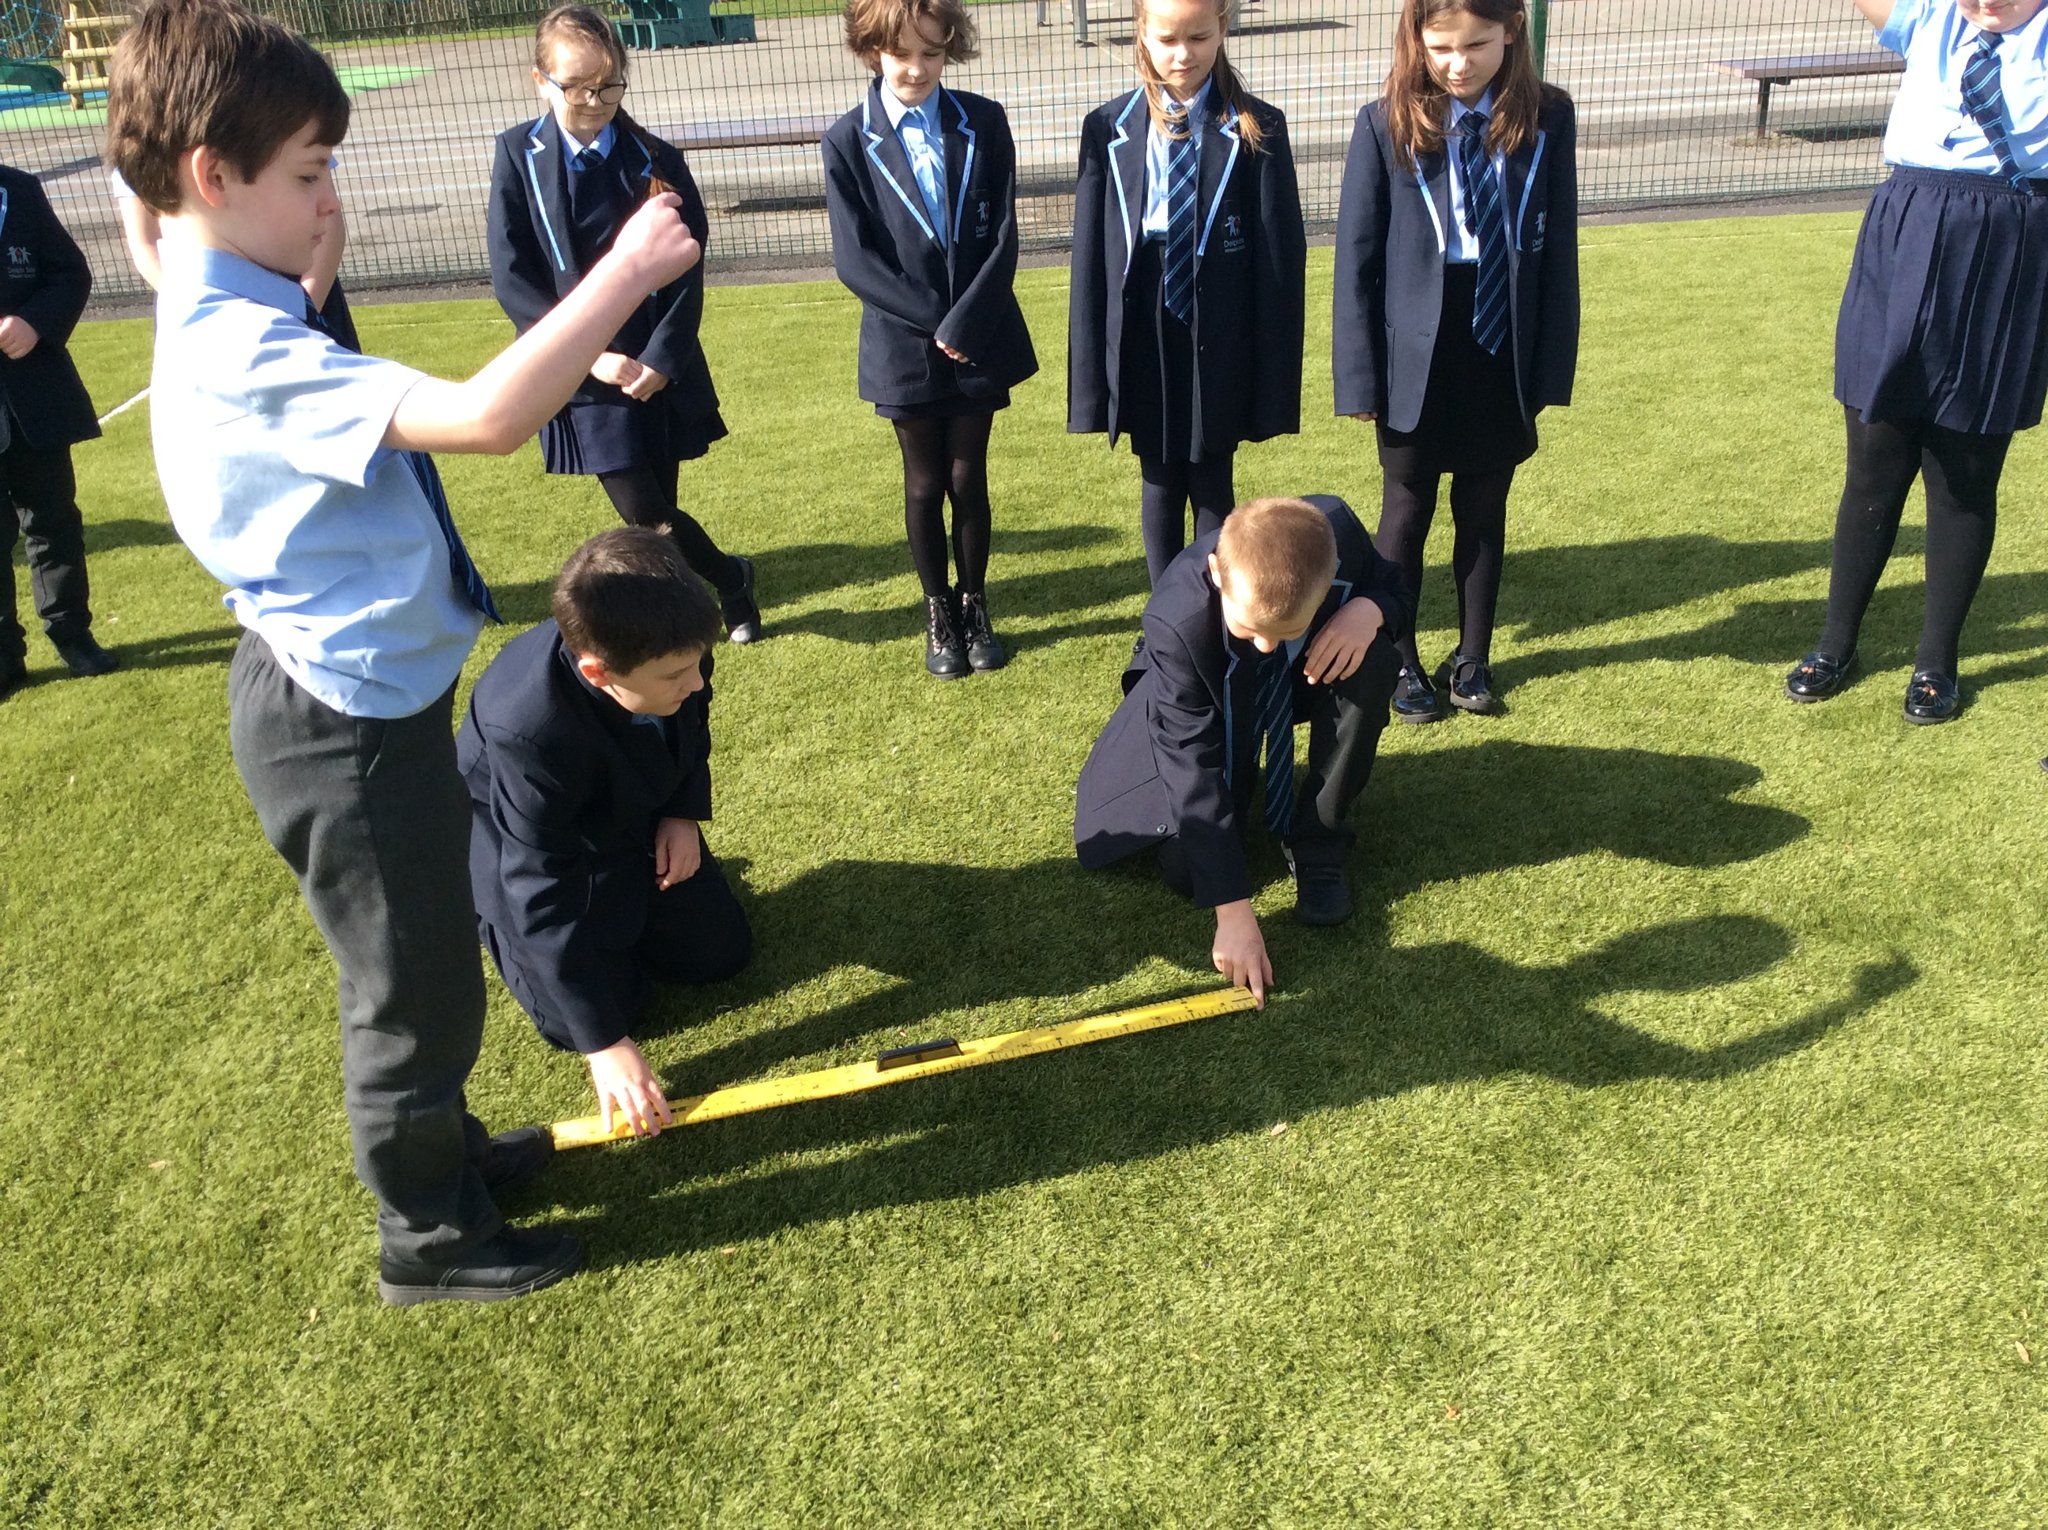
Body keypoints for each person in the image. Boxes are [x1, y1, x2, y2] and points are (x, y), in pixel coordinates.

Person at [106, 0, 703, 1304]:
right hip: (342, 727)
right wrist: (626, 270)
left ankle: (446, 1153)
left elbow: (151, 216)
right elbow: (489, 417)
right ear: (214, 177)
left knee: (425, 968)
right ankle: (430, 1236)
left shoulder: (223, 286)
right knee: (415, 993)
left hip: (355, 699)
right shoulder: (241, 346)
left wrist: (300, 266)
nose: (329, 195)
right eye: (308, 172)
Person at [1784, 0, 2048, 724]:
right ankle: (1836, 643)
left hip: (2011, 245)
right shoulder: (1930, 20)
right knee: (1875, 455)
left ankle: (1937, 662)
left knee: (1965, 470)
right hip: (1906, 228)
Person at [458, 528, 752, 1140]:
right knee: (587, 1018)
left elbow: (690, 724)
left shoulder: (676, 646)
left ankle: (622, 893)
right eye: (676, 675)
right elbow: (538, 883)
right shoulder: (531, 730)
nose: (696, 682)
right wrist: (605, 1044)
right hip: (520, 839)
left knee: (719, 955)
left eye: (699, 663)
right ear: (597, 671)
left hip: (631, 804)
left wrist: (680, 811)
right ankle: (504, 936)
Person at [1332, 0, 1578, 722]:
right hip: (1416, 354)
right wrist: (1360, 375)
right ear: (1417, 40)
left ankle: (1472, 659)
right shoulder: (1383, 123)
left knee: (1483, 509)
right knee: (1404, 515)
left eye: (1477, 43)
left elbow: (1558, 248)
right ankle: (1402, 661)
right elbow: (1356, 262)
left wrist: (1548, 368)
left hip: (1499, 343)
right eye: (1441, 46)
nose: (1459, 62)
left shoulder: (1549, 116)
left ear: (1512, 33)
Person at [487, 3, 763, 645]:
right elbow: (514, 275)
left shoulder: (655, 157)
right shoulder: (517, 156)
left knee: (651, 522)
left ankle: (671, 626)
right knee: (644, 512)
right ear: (540, 80)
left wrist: (664, 357)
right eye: (577, 86)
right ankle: (729, 580)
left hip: (656, 369)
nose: (595, 99)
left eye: (609, 84)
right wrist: (589, 354)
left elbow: (688, 265)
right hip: (584, 370)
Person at [1073, 495, 1410, 1003]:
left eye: (1284, 631)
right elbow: (1190, 761)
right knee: (1190, 868)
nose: (1266, 647)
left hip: (1303, 679)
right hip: (1207, 698)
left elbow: (1396, 585)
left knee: (1373, 661)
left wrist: (1371, 608)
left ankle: (1318, 840)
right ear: (1216, 571)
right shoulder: (1175, 619)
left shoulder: (1338, 532)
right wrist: (1232, 910)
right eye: (1251, 628)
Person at [822, 0, 1037, 678]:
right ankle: (938, 610)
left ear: (951, 49)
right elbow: (855, 260)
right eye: (901, 53)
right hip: (903, 344)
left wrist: (968, 321)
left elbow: (1003, 233)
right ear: (870, 50)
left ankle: (974, 604)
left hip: (980, 330)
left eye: (932, 53)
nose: (917, 68)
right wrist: (935, 321)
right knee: (924, 484)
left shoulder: (983, 120)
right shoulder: (847, 139)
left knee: (968, 476)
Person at [1067, 0, 1307, 585]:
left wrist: (1270, 372)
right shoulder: (1107, 126)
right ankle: (1165, 613)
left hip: (1220, 322)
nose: (1183, 54)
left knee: (1210, 470)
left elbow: (1280, 261)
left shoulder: (1258, 125)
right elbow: (1092, 261)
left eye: (1199, 37)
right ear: (1142, 34)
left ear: (1222, 28)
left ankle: (1212, 610)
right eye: (1167, 38)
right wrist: (1092, 368)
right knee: (1157, 473)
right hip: (1144, 315)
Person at [0, 161, 117, 699]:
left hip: (35, 399)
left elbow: (70, 274)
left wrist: (35, 323)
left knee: (53, 522)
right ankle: (5, 656)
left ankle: (74, 636)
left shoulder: (19, 191)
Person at [113, 164, 361, 351]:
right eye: (306, 177)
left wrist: (302, 312)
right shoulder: (144, 138)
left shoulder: (276, 110)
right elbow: (145, 245)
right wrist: (200, 309)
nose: (331, 203)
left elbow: (330, 228)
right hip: (205, 320)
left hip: (308, 297)